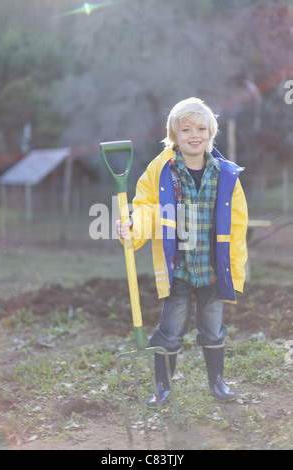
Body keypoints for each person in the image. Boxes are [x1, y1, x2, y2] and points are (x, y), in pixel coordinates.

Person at [116, 97, 248, 407]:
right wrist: (133, 228)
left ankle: (217, 381)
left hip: (214, 269)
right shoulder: (161, 170)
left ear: (210, 134)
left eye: (201, 128)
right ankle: (162, 386)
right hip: (178, 270)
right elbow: (147, 208)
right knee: (171, 330)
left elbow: (237, 224)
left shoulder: (226, 174)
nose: (194, 134)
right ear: (174, 134)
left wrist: (234, 264)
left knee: (213, 328)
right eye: (186, 128)